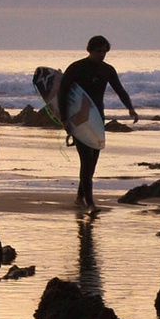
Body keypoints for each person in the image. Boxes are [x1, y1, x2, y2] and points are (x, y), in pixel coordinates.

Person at [62, 35, 137, 212]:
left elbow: (120, 90)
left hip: (97, 120)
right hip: (79, 120)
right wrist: (65, 119)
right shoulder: (76, 68)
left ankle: (80, 197)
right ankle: (90, 203)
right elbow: (62, 94)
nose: (102, 54)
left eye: (104, 51)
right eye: (98, 51)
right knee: (85, 162)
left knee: (93, 162)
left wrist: (130, 108)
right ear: (90, 50)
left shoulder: (108, 70)